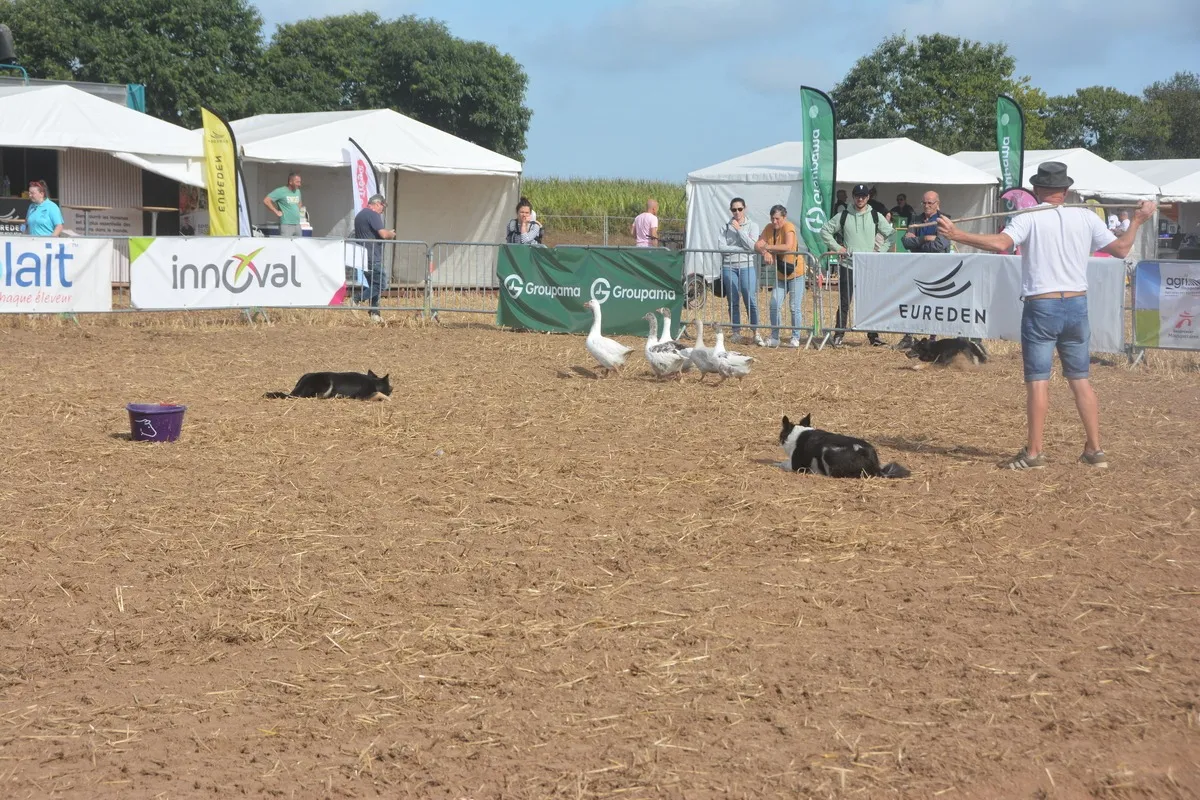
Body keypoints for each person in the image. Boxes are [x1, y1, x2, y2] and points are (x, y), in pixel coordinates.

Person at [937, 161, 1155, 470]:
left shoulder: (1031, 217)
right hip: (1077, 306)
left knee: (1038, 381)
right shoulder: (1086, 217)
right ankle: (1094, 450)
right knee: (1080, 380)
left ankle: (1035, 453)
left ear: (1038, 190)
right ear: (1065, 191)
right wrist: (1138, 220)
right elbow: (1121, 249)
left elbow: (1001, 244)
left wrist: (958, 233)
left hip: (1042, 306)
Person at [819, 183, 895, 347]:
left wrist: (880, 252)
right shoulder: (844, 215)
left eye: (863, 196)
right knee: (845, 302)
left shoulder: (875, 215)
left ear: (868, 197)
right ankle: (839, 334)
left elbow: (891, 235)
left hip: (868, 266)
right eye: (857, 196)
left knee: (869, 301)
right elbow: (824, 231)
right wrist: (838, 248)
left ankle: (873, 337)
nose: (860, 199)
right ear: (853, 197)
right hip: (848, 265)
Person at [756, 204, 806, 348]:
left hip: (796, 273)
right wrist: (765, 252)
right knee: (774, 304)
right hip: (780, 274)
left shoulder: (788, 227)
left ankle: (796, 337)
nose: (774, 221)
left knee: (794, 306)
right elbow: (757, 244)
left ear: (784, 217)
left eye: (777, 218)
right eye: (772, 218)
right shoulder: (768, 228)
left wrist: (768, 248)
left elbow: (788, 246)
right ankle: (775, 336)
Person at [716, 197, 762, 344]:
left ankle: (756, 331)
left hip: (747, 266)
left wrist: (739, 230)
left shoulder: (753, 225)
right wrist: (741, 248)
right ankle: (736, 332)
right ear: (731, 210)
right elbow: (721, 248)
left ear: (745, 208)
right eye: (734, 209)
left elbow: (752, 246)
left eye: (740, 209)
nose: (737, 212)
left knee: (750, 299)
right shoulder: (724, 226)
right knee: (733, 300)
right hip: (729, 266)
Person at [352, 194, 396, 324]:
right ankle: (356, 299)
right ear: (377, 204)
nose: (382, 210)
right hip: (372, 255)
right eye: (382, 206)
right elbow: (383, 234)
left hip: (363, 255)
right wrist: (391, 234)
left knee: (373, 285)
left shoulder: (360, 215)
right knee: (381, 284)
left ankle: (375, 314)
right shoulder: (373, 215)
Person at [264, 172, 304, 237]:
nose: (299, 184)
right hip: (286, 225)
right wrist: (276, 211)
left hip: (297, 224)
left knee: (298, 245)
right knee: (286, 245)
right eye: (297, 182)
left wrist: (296, 211)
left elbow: (300, 203)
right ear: (290, 182)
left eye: (300, 182)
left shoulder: (298, 191)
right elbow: (266, 200)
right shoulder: (280, 191)